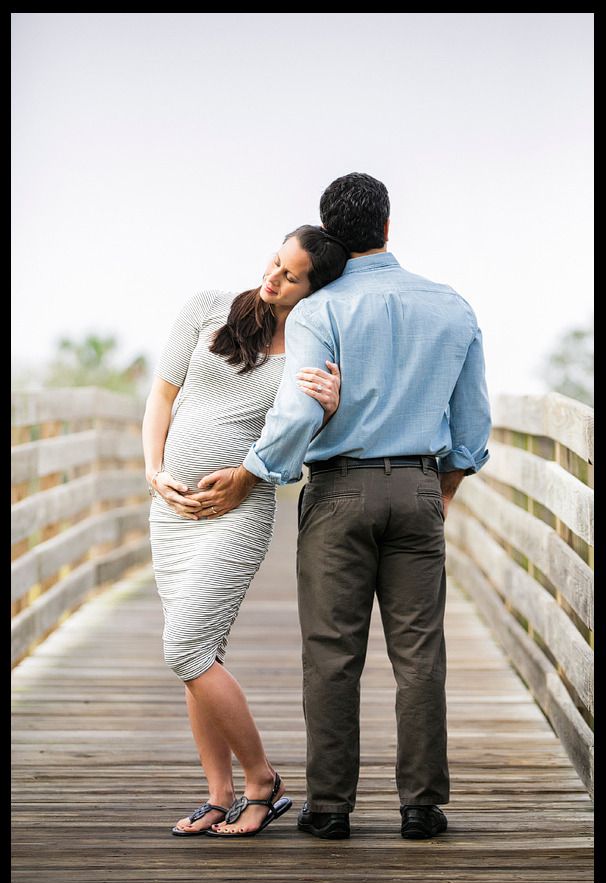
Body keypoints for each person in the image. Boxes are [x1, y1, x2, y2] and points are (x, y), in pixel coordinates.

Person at [195, 172, 492, 841]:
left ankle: (330, 807)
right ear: (388, 228)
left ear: (333, 234)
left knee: (332, 655)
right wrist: (439, 491)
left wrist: (253, 473)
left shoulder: (319, 311)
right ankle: (422, 805)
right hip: (418, 487)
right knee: (420, 655)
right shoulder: (452, 306)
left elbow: (301, 405)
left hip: (338, 490)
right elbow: (472, 427)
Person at [141, 225, 348, 837]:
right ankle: (219, 793)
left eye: (291, 275)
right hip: (172, 509)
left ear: (314, 287)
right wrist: (154, 473)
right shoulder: (205, 309)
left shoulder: (307, 356)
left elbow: (312, 440)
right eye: (274, 262)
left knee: (186, 644)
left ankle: (262, 780)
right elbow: (161, 398)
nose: (273, 278)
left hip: (239, 513)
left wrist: (331, 406)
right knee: (198, 652)